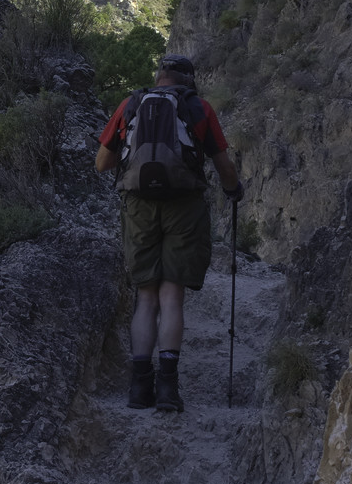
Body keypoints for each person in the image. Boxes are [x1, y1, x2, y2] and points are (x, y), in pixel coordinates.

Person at [94, 53, 241, 412]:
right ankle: (168, 389)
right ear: (189, 79)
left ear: (159, 76)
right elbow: (222, 162)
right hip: (184, 204)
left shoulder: (131, 103)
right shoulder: (199, 108)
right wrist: (233, 190)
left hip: (138, 204)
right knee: (171, 296)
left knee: (146, 297)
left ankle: (139, 388)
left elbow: (102, 163)